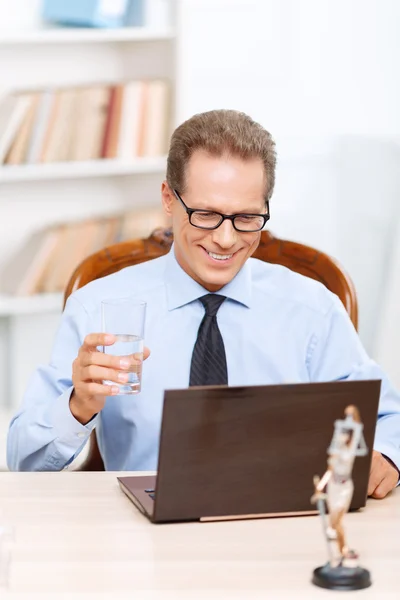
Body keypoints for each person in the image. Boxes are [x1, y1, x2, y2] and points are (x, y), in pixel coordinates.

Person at [7, 110, 400, 498]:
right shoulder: (99, 306)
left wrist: (385, 455)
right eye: (206, 214)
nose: (226, 240)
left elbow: (387, 417)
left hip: (280, 525)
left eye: (247, 217)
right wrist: (78, 406)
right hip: (140, 537)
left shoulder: (312, 308)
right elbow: (24, 460)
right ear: (168, 199)